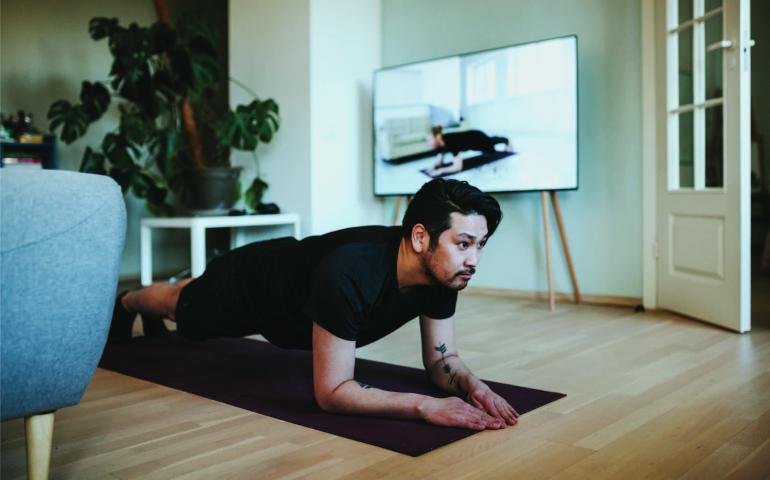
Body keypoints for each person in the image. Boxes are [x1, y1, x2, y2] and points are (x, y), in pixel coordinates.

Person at [111, 178, 519, 430]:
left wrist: (471, 386)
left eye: (479, 246)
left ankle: (170, 293)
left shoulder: (444, 273)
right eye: (464, 244)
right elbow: (333, 392)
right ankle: (128, 301)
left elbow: (442, 360)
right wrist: (426, 407)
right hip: (253, 283)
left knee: (185, 301)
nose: (473, 260)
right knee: (183, 308)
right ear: (419, 238)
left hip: (295, 284)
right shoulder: (350, 272)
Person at [427, 126, 511, 177]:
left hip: (477, 137)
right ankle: (495, 144)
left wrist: (441, 171)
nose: (428, 143)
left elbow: (457, 168)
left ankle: (507, 140)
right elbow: (439, 162)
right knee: (491, 151)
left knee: (491, 143)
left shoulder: (451, 142)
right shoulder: (440, 144)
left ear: (437, 138)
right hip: (471, 143)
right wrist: (432, 167)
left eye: (430, 140)